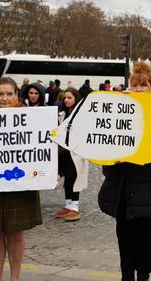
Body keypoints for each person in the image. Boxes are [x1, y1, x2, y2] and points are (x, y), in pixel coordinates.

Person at [98, 62, 151, 281]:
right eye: (135, 85)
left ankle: (143, 276)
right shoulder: (118, 112)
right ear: (129, 87)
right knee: (124, 235)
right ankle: (126, 276)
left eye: (144, 85)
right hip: (123, 185)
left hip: (149, 184)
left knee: (145, 236)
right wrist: (111, 160)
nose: (139, 89)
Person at [0, 77, 42, 281]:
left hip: (22, 183)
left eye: (9, 94)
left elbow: (44, 148)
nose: (4, 98)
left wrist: (49, 172)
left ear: (16, 95)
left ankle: (15, 278)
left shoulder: (32, 118)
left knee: (16, 233)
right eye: (0, 94)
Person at [55, 87, 89, 222]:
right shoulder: (61, 113)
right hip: (63, 152)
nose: (67, 100)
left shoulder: (81, 114)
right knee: (67, 179)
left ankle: (75, 207)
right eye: (65, 98)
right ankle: (68, 204)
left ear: (76, 99)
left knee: (73, 177)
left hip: (76, 152)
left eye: (70, 98)